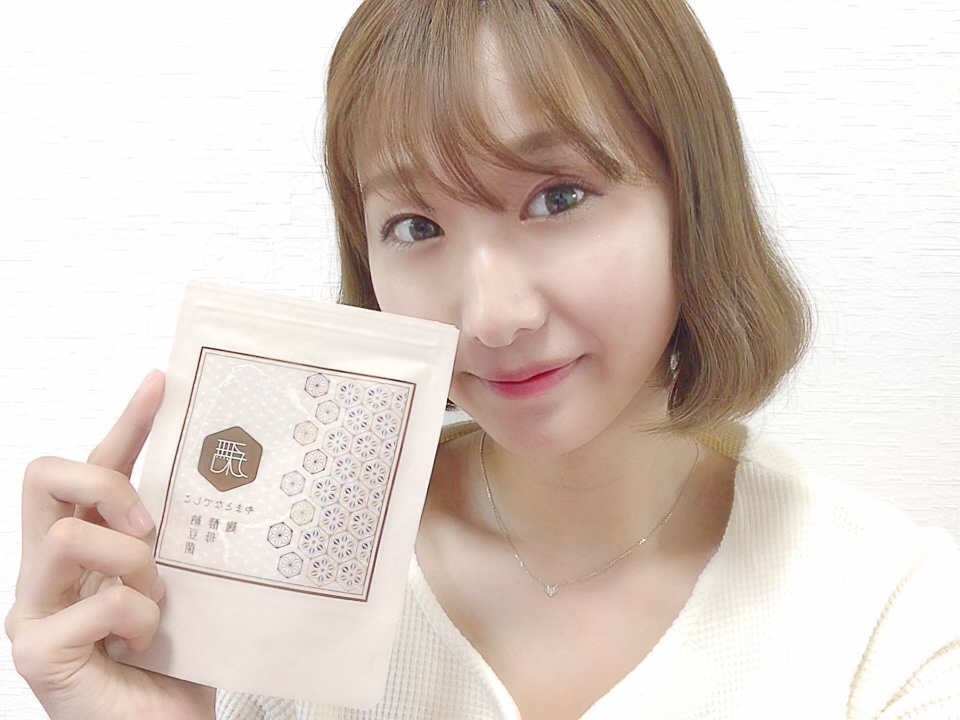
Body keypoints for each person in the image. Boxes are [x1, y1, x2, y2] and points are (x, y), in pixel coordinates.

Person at [7, 0, 960, 718]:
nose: (492, 317)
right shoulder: (268, 592)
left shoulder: (888, 626)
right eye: (416, 225)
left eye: (559, 197)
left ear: (691, 200)